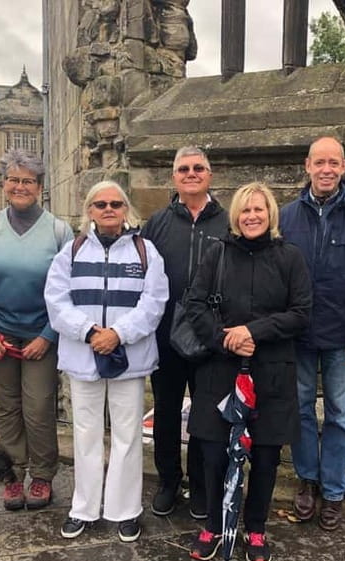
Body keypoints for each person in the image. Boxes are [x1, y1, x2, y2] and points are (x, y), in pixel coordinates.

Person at [184, 182, 311, 561]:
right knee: (213, 454)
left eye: (259, 209)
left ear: (270, 214)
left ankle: (255, 528)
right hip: (220, 368)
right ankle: (212, 525)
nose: (252, 216)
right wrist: (227, 340)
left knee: (267, 457)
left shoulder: (290, 258)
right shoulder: (217, 254)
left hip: (271, 371)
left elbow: (302, 313)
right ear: (235, 216)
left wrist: (254, 332)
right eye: (245, 210)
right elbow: (195, 305)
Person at [44, 181, 168, 543]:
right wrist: (88, 332)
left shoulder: (146, 252)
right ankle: (83, 508)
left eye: (115, 203)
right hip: (83, 357)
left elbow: (154, 301)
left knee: (128, 435)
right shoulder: (71, 251)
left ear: (125, 208)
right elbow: (56, 301)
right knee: (85, 434)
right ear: (90, 210)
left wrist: (118, 334)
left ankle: (124, 510)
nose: (108, 209)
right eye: (100, 204)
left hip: (129, 358)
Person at [279, 136, 345, 531]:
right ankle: (308, 479)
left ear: (344, 166)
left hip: (342, 337)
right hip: (299, 334)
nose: (326, 169)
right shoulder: (288, 216)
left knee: (340, 414)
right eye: (319, 162)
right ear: (307, 166)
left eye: (333, 162)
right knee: (301, 410)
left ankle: (334, 490)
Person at [0, 149, 73, 511]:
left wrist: (48, 335)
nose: (19, 186)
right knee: (6, 409)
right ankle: (12, 474)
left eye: (28, 180)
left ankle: (41, 475)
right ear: (5, 184)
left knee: (39, 406)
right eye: (13, 179)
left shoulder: (59, 231)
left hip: (41, 335)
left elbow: (68, 290)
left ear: (40, 187)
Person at [141, 146, 229, 519]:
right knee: (165, 411)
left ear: (209, 174)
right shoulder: (157, 223)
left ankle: (199, 483)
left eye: (198, 168)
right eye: (183, 169)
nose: (191, 173)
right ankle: (168, 481)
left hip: (210, 336)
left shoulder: (228, 221)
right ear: (174, 177)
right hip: (166, 337)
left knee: (205, 415)